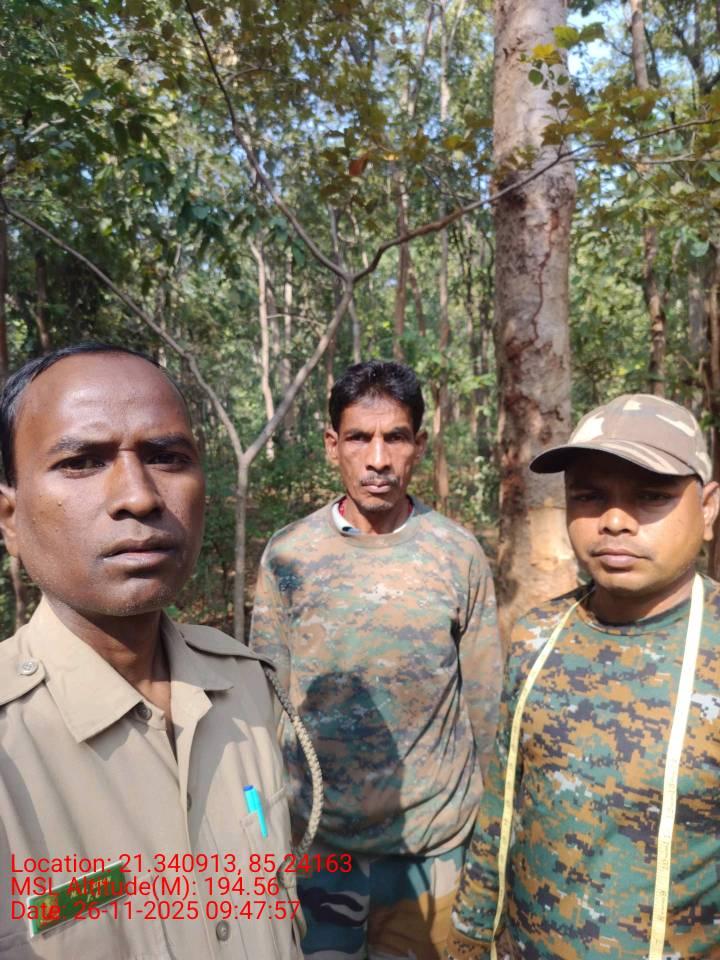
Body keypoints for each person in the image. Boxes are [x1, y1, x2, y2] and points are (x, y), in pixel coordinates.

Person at [0, 343, 303, 960]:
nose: (138, 496)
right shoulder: (11, 747)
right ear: (9, 518)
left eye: (167, 457)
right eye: (82, 462)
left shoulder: (245, 684)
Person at [446, 394, 720, 960]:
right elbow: (502, 803)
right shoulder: (538, 634)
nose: (614, 521)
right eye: (589, 496)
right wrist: (470, 932)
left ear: (709, 508)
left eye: (651, 497)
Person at [250, 359, 503, 960]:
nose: (378, 459)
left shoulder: (457, 555)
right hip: (319, 847)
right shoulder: (289, 556)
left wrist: (494, 841)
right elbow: (266, 701)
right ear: (332, 445)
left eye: (396, 438)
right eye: (359, 438)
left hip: (432, 849)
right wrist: (265, 831)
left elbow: (487, 707)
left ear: (419, 445)